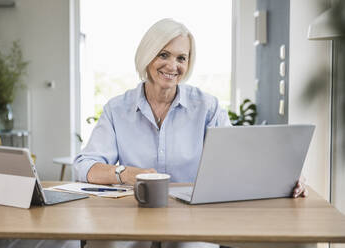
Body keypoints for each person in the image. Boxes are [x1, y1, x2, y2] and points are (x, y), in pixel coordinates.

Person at [74, 18, 307, 248]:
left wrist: (285, 179)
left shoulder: (207, 107)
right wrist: (125, 173)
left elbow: (237, 162)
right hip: (133, 212)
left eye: (181, 58)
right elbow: (85, 166)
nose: (172, 66)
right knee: (104, 243)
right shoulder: (117, 109)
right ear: (147, 55)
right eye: (163, 54)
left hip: (192, 216)